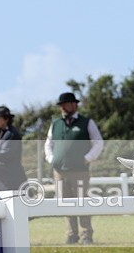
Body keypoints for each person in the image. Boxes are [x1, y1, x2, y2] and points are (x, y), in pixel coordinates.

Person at [44, 91, 105, 245]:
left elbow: (98, 142)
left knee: (82, 201)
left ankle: (86, 234)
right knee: (65, 202)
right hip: (59, 171)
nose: (63, 107)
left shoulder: (86, 122)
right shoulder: (56, 124)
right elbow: (48, 144)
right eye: (61, 105)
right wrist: (51, 159)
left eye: (66, 104)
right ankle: (71, 234)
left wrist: (87, 158)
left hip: (79, 170)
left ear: (74, 105)